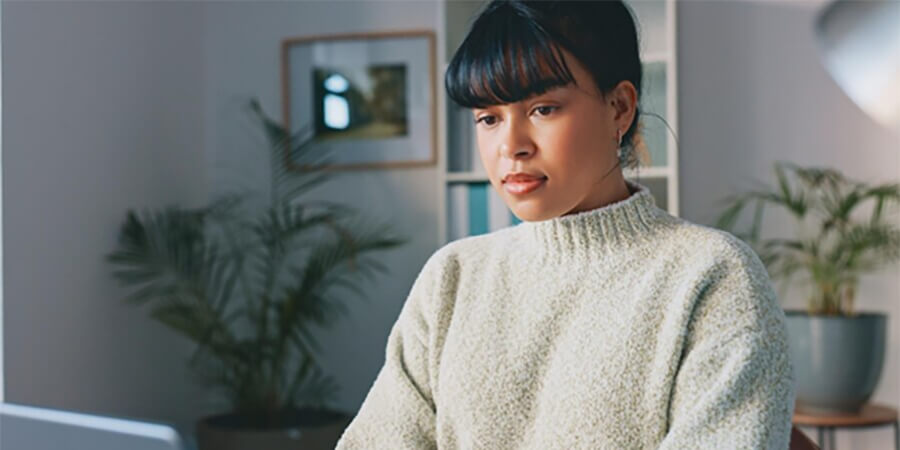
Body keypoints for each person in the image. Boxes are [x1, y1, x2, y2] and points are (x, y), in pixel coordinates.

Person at [335, 1, 795, 448]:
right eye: (489, 118)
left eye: (543, 109)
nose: (510, 145)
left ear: (619, 108)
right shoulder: (452, 277)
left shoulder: (712, 276)